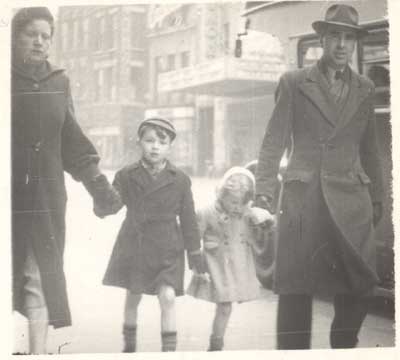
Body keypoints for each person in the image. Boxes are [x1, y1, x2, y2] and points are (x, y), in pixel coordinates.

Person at [255, 4, 384, 349]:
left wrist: (378, 200)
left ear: (355, 43)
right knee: (296, 290)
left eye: (348, 38)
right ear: (322, 40)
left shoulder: (366, 88)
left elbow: (370, 150)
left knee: (360, 284)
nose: (342, 44)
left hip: (351, 200)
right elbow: (273, 144)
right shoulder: (294, 83)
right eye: (334, 36)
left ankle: (343, 347)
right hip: (303, 203)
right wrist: (262, 198)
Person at [11, 7, 119, 354]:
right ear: (14, 37)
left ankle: (39, 351)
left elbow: (72, 140)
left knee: (38, 276)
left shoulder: (59, 81)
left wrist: (99, 187)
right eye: (32, 34)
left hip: (44, 197)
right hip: (7, 195)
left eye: (46, 36)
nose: (40, 41)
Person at [95, 118, 206, 352]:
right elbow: (112, 204)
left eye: (162, 142)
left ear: (170, 147)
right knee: (133, 294)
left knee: (167, 296)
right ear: (140, 143)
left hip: (168, 246)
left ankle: (169, 352)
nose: (155, 147)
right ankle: (130, 347)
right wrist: (101, 201)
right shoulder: (126, 175)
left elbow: (188, 220)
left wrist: (195, 254)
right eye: (150, 141)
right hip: (136, 243)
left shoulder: (181, 180)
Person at [187, 167, 274, 351]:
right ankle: (216, 346)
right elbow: (194, 239)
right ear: (221, 194)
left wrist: (264, 223)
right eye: (233, 201)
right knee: (225, 306)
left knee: (225, 307)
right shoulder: (206, 212)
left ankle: (216, 343)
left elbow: (259, 236)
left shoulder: (247, 213)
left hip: (237, 267)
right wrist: (198, 266)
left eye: (242, 202)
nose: (237, 207)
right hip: (216, 265)